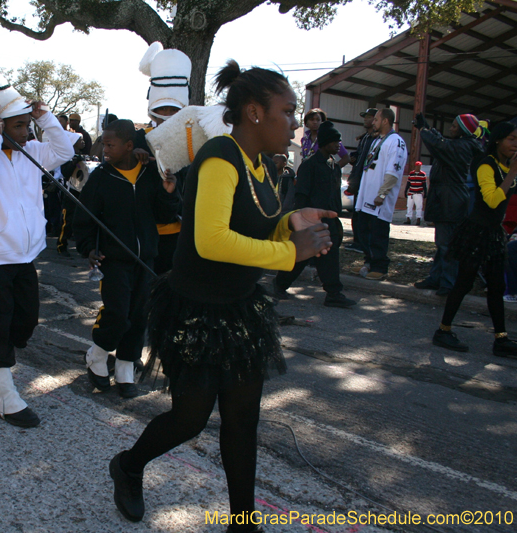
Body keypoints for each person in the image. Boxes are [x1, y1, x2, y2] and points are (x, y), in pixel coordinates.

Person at [108, 61, 335, 531]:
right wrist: (289, 252)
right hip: (195, 310)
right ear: (254, 112)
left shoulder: (263, 166)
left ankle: (243, 523)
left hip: (239, 309)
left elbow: (250, 224)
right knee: (189, 419)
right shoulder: (219, 156)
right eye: (288, 112)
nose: (295, 122)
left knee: (241, 420)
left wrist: (290, 222)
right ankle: (128, 466)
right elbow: (211, 240)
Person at [0, 100, 74, 428]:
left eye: (28, 125)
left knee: (24, 325)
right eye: (19, 126)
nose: (26, 132)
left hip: (25, 255)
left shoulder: (33, 151)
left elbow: (64, 151)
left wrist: (45, 118)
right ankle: (6, 399)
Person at [73, 119, 180, 398]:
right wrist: (88, 248)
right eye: (103, 143)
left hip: (146, 259)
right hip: (114, 259)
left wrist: (169, 193)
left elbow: (164, 215)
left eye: (110, 144)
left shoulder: (149, 175)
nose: (104, 149)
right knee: (118, 314)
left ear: (129, 145)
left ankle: (124, 371)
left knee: (138, 317)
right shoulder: (101, 178)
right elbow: (83, 219)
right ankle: (97, 355)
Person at [432, 123, 517, 358]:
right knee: (463, 282)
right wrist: (514, 171)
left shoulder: (508, 166)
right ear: (498, 141)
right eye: (511, 139)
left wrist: (514, 169)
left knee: (497, 286)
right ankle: (443, 330)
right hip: (477, 231)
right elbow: (492, 200)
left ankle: (501, 339)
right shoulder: (486, 164)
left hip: (494, 232)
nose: (516, 144)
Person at [275, 122, 356, 308]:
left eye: (339, 141)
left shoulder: (334, 167)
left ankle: (334, 293)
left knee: (330, 256)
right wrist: (301, 223)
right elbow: (301, 196)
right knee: (301, 257)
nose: (338, 145)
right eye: (335, 141)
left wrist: (337, 220)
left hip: (329, 221)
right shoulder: (309, 166)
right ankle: (279, 284)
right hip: (310, 221)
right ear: (325, 143)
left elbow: (335, 195)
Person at [134, 42, 192, 275]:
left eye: (172, 110)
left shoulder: (191, 142)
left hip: (176, 232)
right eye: (163, 109)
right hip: (142, 233)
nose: (167, 115)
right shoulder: (137, 139)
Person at [413, 114, 484, 296]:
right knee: (442, 243)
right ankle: (436, 278)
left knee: (447, 245)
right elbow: (442, 141)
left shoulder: (461, 147)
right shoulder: (463, 144)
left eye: (454, 126)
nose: (450, 128)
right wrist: (428, 129)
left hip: (450, 201)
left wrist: (424, 130)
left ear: (463, 130)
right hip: (448, 199)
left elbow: (440, 145)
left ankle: (447, 283)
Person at [353, 108, 408, 281]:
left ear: (385, 121)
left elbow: (394, 171)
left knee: (378, 233)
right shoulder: (377, 141)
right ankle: (369, 262)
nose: (373, 122)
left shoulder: (396, 142)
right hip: (366, 195)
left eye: (376, 119)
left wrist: (382, 194)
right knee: (364, 231)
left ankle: (380, 267)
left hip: (379, 198)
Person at [346, 108, 378, 253]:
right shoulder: (365, 138)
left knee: (366, 214)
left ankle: (366, 243)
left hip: (368, 181)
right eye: (365, 117)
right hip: (358, 179)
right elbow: (360, 157)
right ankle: (357, 241)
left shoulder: (377, 139)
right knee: (356, 213)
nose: (365, 120)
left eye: (369, 117)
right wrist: (354, 158)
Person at [404, 161, 427, 225]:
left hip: (418, 193)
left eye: (419, 166)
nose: (418, 167)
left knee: (419, 206)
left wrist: (425, 193)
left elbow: (424, 185)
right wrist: (405, 191)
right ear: (415, 166)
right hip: (411, 193)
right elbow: (408, 183)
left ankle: (418, 219)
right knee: (409, 206)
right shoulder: (411, 174)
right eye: (417, 166)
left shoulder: (423, 174)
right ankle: (408, 219)